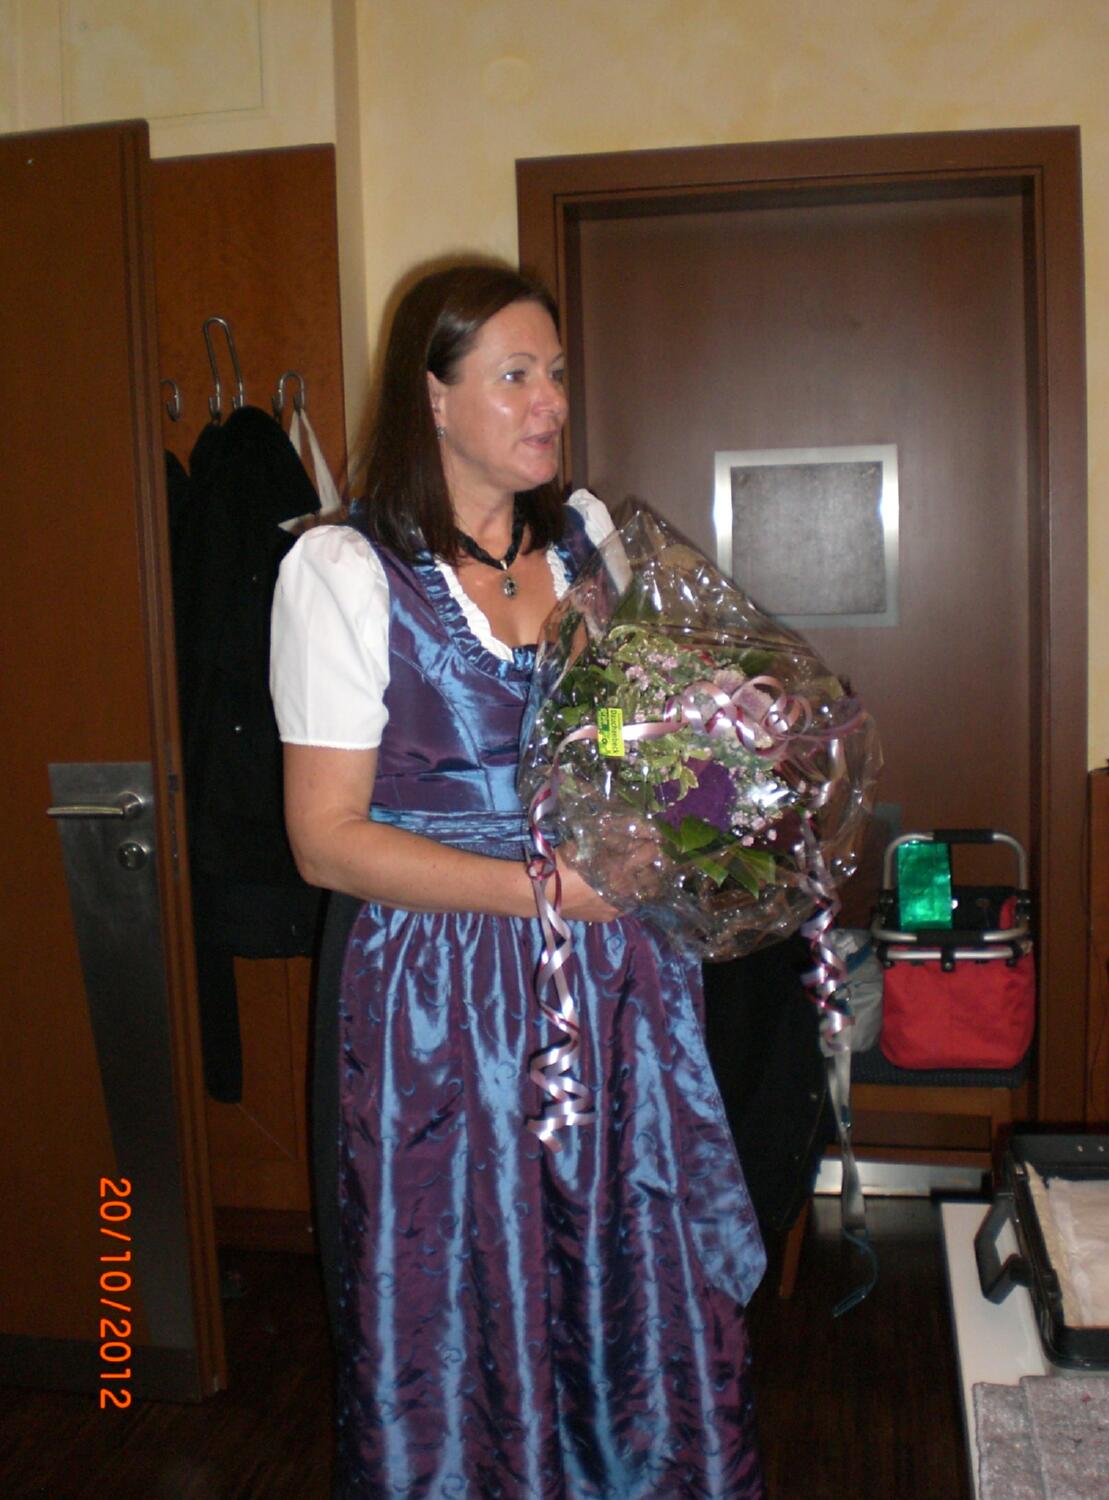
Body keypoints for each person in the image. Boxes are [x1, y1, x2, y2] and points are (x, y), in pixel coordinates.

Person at [270, 262, 767, 1498]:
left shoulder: (590, 539)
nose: (548, 401)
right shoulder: (343, 571)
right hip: (443, 993)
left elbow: (637, 742)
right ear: (432, 398)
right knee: (470, 1276)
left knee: (620, 1252)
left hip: (613, 976)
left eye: (553, 373)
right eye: (513, 376)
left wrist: (699, 780)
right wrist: (544, 890)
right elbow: (324, 841)